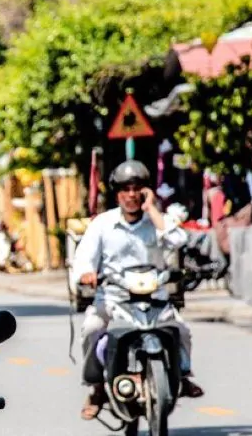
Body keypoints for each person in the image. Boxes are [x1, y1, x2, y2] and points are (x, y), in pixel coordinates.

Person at [73, 160, 204, 421]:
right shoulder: (102, 224)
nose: (131, 195)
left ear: (146, 191)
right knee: (91, 328)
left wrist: (152, 210)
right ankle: (96, 388)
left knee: (182, 330)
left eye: (137, 189)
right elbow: (84, 258)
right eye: (126, 189)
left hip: (155, 298)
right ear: (117, 193)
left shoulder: (157, 220)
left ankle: (183, 376)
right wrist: (87, 273)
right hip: (113, 298)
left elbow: (178, 240)